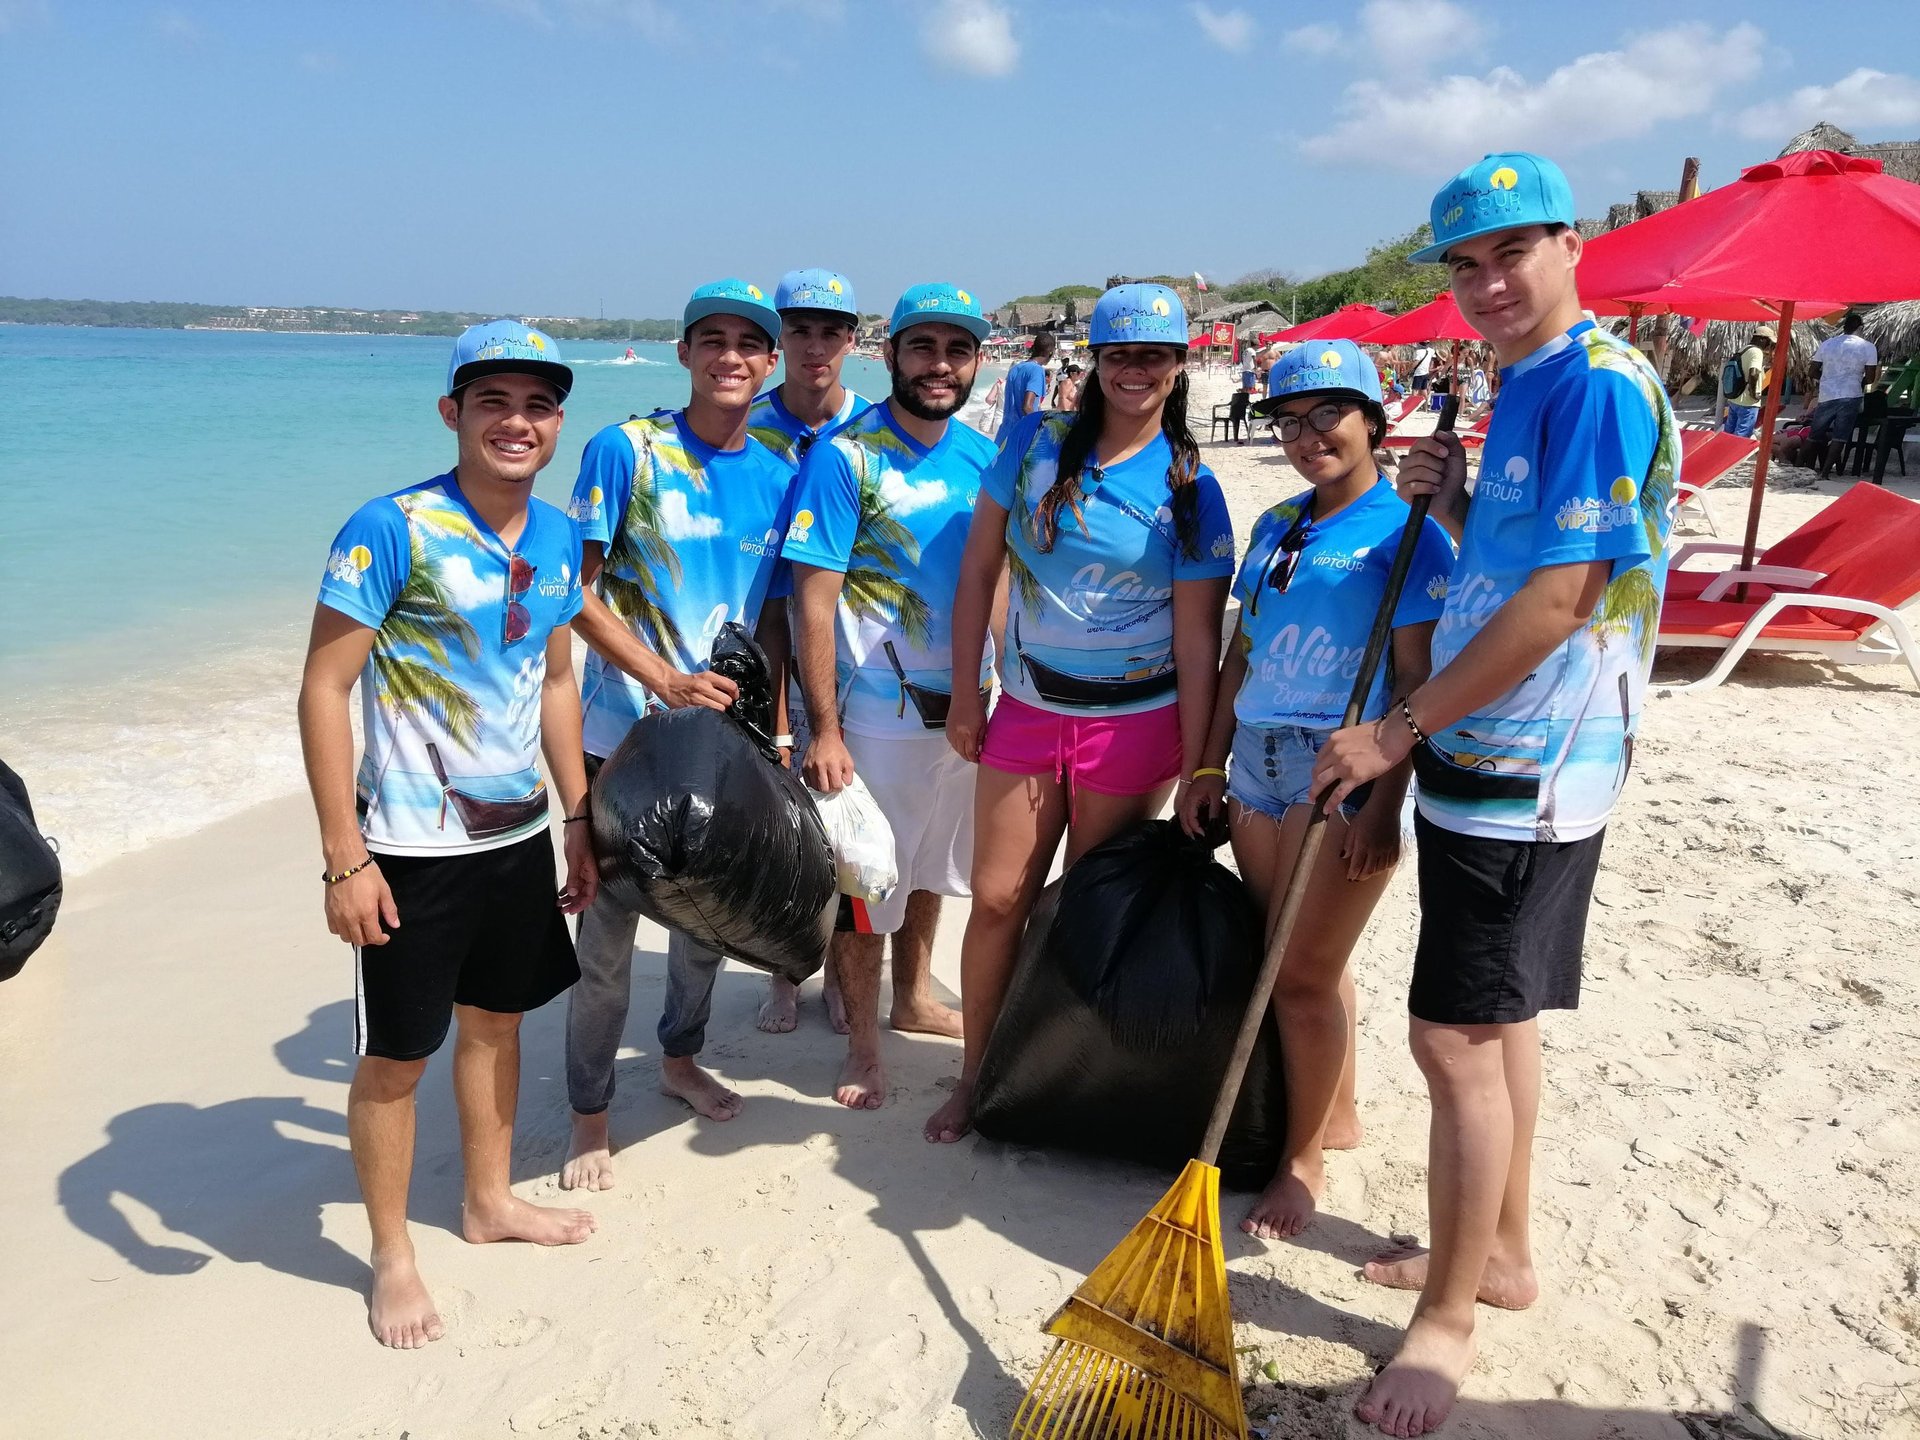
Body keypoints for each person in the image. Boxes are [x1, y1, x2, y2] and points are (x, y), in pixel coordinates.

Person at [1314, 152, 1678, 1436]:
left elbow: (1561, 601)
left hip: (1527, 766)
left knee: (1451, 1039)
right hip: (1497, 749)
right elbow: (1520, 563)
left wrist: (1395, 731)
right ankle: (1504, 1253)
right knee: (1500, 1023)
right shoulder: (1524, 380)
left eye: (1509, 252)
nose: (1486, 283)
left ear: (1570, 242)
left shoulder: (1594, 385)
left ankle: (1449, 1324)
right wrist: (1462, 502)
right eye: (1464, 264)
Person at [297, 321, 600, 1348]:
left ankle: (489, 1199)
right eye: (494, 402)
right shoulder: (391, 528)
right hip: (411, 848)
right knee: (396, 1057)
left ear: (559, 421)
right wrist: (346, 857)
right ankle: (392, 1254)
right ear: (453, 414)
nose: (518, 423)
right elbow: (324, 688)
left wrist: (579, 814)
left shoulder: (557, 536)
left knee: (500, 1023)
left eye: (538, 405)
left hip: (515, 837)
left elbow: (555, 680)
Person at [926, 281, 1236, 1144]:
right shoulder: (1032, 442)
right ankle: (978, 1075)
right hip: (1026, 710)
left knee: (1090, 915)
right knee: (995, 901)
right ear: (1093, 362)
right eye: (1118, 354)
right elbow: (978, 573)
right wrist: (965, 690)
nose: (1135, 371)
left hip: (1137, 727)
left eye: (1154, 356)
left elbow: (1198, 641)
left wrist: (1202, 762)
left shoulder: (1191, 490)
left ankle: (1060, 1079)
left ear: (1180, 366)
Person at [1183, 340, 1456, 1241]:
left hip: (1342, 763)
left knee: (1297, 977)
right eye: (1290, 422)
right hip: (1257, 752)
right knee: (1295, 958)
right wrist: (1211, 763)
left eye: (1327, 418)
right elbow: (1241, 652)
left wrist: (1383, 802)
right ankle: (1333, 1115)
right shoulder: (1276, 524)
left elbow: (1417, 683)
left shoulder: (1408, 533)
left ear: (1374, 422)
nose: (1308, 438)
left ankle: (1300, 1165)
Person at [560, 280, 797, 1190]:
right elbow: (570, 594)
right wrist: (660, 678)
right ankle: (590, 1112)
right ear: (685, 352)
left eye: (749, 343)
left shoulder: (779, 477)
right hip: (624, 734)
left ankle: (678, 1059)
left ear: (769, 363)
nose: (730, 355)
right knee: (608, 940)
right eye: (713, 339)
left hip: (727, 741)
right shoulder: (627, 451)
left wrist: (773, 733)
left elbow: (772, 621)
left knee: (706, 928)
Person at [781, 282, 996, 1109]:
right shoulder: (847, 455)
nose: (939, 366)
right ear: (892, 353)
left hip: (968, 710)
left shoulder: (982, 458)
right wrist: (824, 727)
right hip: (874, 717)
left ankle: (914, 997)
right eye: (923, 348)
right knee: (868, 882)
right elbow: (814, 599)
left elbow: (1000, 579)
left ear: (975, 362)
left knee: (936, 865)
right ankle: (864, 1044)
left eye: (957, 351)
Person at [747, 268, 871, 466]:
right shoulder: (743, 428)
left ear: (849, 340)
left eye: (830, 334)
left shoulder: (876, 427)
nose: (815, 349)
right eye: (801, 332)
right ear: (779, 336)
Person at [1807, 312, 1880, 476]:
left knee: (1814, 434)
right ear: (1861, 328)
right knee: (1840, 436)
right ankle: (1825, 472)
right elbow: (1869, 378)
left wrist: (1827, 379)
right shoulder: (1868, 347)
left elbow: (1812, 371)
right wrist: (1857, 381)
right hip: (1850, 395)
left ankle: (1801, 468)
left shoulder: (1827, 343)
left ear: (1844, 327)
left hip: (1827, 394)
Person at [1721, 324, 1775, 438]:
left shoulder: (1744, 349)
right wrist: (1754, 393)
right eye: (1769, 342)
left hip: (1735, 398)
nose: (1770, 345)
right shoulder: (1756, 352)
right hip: (1748, 401)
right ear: (1762, 339)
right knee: (1742, 436)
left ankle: (1725, 453)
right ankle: (1735, 455)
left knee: (1729, 432)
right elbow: (1753, 372)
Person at [1001, 330, 1055, 431]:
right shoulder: (1037, 370)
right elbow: (1027, 407)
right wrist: (1041, 428)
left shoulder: (1015, 368)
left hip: (1005, 432)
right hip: (1021, 434)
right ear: (1050, 352)